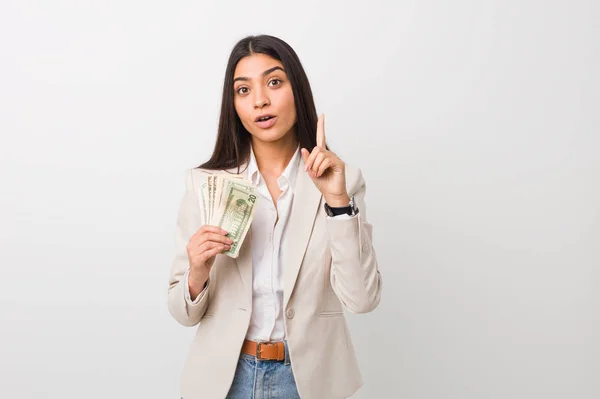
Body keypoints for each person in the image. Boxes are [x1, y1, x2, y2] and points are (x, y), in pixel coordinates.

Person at [167, 34, 383, 399]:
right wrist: (197, 272)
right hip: (225, 379)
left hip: (309, 382)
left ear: (296, 89)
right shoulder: (206, 184)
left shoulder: (343, 181)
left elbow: (362, 300)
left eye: (274, 82)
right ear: (233, 104)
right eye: (243, 90)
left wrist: (338, 203)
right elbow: (182, 312)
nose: (260, 100)